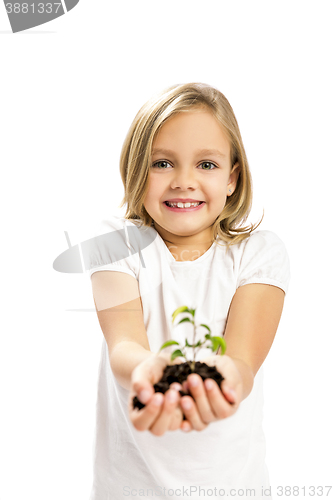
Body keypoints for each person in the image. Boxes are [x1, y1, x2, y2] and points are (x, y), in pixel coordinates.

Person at [88, 82, 291, 500]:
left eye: (207, 165)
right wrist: (148, 372)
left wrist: (225, 382)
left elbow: (241, 358)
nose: (184, 181)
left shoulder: (258, 253)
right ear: (136, 171)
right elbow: (124, 343)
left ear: (233, 178)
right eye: (162, 163)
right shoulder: (116, 243)